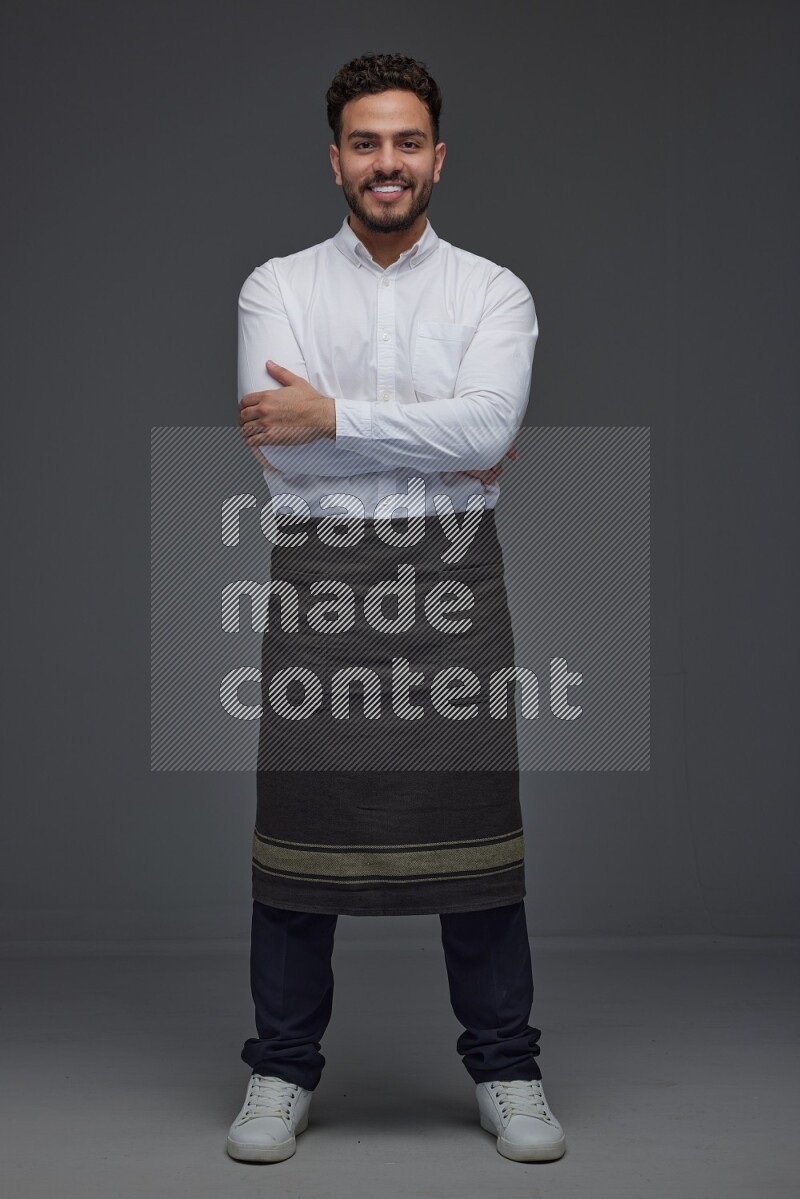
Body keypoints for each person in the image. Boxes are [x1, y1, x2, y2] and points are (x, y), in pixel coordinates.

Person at [226, 52, 566, 1165]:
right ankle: (278, 1071)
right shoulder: (274, 285)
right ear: (335, 158)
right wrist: (437, 429)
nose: (386, 163)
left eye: (405, 141)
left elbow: (483, 434)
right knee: (297, 849)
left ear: (436, 156)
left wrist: (335, 416)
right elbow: (288, 454)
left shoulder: (492, 290)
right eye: (365, 143)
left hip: (454, 579)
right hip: (319, 577)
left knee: (476, 852)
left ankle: (507, 1066)